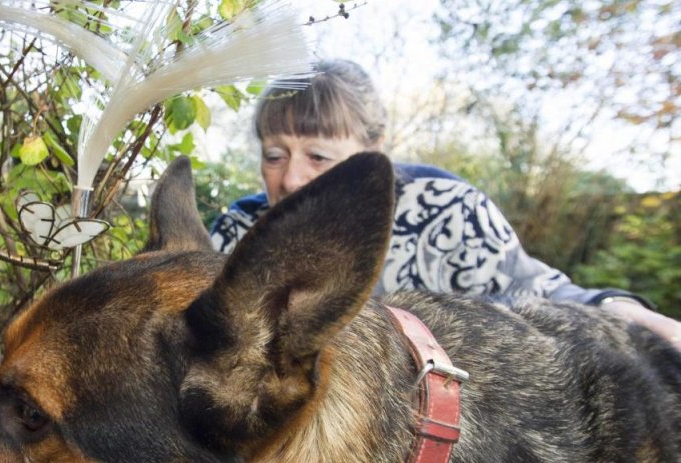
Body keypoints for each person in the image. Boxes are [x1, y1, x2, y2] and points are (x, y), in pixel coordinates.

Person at [210, 59, 681, 346]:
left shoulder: (445, 211)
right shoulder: (236, 231)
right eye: (274, 155)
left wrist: (627, 313)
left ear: (375, 151)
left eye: (318, 156)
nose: (291, 178)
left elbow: (537, 293)